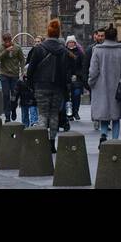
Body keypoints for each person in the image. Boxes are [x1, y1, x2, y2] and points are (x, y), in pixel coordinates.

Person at [25, 20, 71, 151]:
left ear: (48, 32)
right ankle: (52, 142)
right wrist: (64, 89)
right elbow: (65, 72)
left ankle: (42, 141)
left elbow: (31, 69)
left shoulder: (39, 49)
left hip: (41, 85)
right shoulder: (63, 50)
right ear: (58, 33)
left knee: (43, 113)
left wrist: (30, 84)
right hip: (57, 87)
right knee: (54, 114)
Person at [86, 24, 121, 145]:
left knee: (104, 113)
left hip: (101, 86)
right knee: (116, 116)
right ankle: (115, 141)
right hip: (118, 86)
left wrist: (91, 82)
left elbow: (93, 70)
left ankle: (103, 134)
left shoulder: (97, 50)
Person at [0, 33, 24, 122]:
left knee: (14, 95)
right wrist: (6, 51)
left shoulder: (17, 48)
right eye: (5, 41)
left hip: (14, 75)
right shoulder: (0, 48)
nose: (7, 43)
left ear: (11, 40)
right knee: (6, 95)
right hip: (4, 75)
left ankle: (13, 109)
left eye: (9, 41)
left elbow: (22, 59)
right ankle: (7, 115)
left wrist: (22, 71)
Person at [83, 27, 106, 130]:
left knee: (106, 101)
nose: (100, 38)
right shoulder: (90, 49)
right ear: (95, 36)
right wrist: (86, 82)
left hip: (106, 80)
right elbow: (85, 66)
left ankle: (105, 120)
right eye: (99, 35)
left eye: (102, 36)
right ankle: (96, 119)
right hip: (94, 81)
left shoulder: (108, 48)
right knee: (95, 101)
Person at [64, 36, 86, 121]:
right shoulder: (64, 52)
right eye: (69, 42)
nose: (71, 43)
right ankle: (69, 113)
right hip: (66, 78)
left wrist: (79, 74)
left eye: (72, 42)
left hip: (77, 78)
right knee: (67, 97)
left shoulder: (80, 53)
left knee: (76, 95)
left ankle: (75, 111)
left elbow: (82, 65)